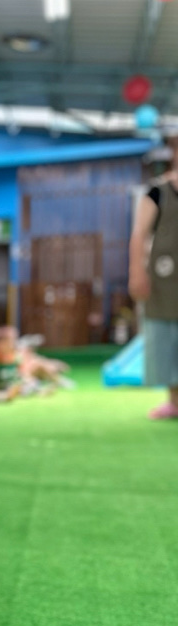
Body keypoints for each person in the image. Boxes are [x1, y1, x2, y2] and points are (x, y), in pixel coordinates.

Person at [129, 135, 178, 419]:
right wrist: (136, 272)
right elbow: (139, 234)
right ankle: (175, 400)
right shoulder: (157, 191)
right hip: (165, 276)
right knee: (166, 334)